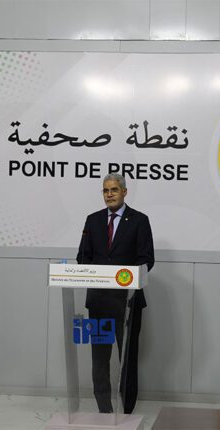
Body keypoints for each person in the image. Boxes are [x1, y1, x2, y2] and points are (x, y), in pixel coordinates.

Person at [76, 173, 155, 414]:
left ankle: (127, 411)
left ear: (124, 192)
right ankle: (104, 411)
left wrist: (122, 277)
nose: (109, 194)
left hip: (127, 303)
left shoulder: (139, 220)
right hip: (99, 302)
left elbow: (146, 259)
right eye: (105, 190)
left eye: (114, 190)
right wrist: (98, 274)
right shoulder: (92, 220)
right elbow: (83, 257)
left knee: (127, 360)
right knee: (99, 359)